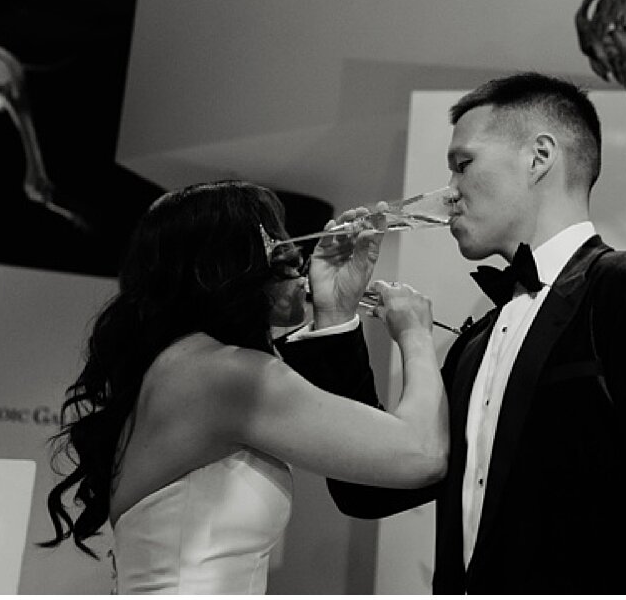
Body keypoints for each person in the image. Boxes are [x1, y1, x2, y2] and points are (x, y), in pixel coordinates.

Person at [285, 72, 626, 593]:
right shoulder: (474, 345)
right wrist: (334, 315)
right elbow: (367, 490)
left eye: (463, 165)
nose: (449, 196)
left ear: (539, 158)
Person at [39, 180, 448, 594]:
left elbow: (369, 476)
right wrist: (414, 334)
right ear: (224, 262)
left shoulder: (185, 367)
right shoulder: (220, 375)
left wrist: (335, 311)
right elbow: (421, 455)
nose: (294, 253)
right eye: (274, 239)